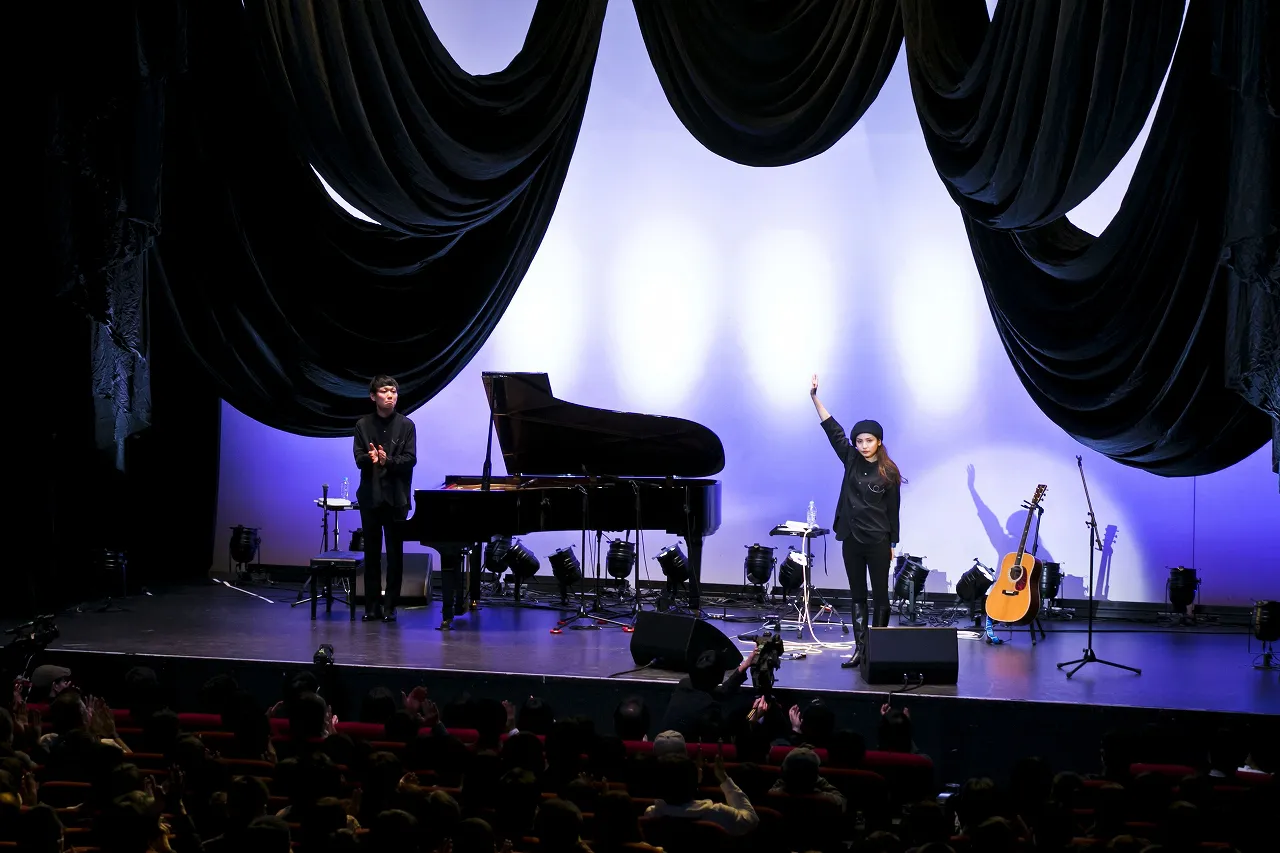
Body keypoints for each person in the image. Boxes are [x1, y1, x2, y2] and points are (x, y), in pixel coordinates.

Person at [809, 374, 905, 668]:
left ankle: (878, 650)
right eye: (860, 441)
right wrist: (814, 397)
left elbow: (893, 512)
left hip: (877, 540)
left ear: (879, 442)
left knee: (880, 597)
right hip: (851, 538)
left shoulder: (889, 472)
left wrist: (892, 543)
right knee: (858, 597)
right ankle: (861, 649)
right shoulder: (850, 458)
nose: (863, 446)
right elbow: (832, 430)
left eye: (869, 441)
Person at [354, 375, 417, 623]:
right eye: (384, 391)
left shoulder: (406, 425)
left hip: (396, 498)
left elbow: (410, 459)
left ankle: (390, 606)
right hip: (371, 496)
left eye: (393, 391)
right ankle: (371, 606)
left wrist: (386, 461)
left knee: (394, 555)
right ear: (373, 396)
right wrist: (370, 458)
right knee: (371, 554)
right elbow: (358, 457)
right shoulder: (362, 425)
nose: (389, 395)